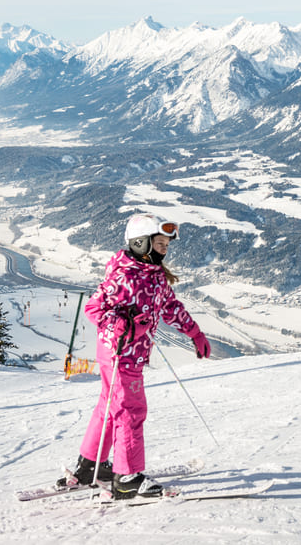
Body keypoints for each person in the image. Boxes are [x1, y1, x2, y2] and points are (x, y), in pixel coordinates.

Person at [59, 214, 212, 499]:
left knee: (109, 408)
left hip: (129, 355)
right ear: (141, 243)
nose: (165, 247)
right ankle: (127, 477)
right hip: (119, 355)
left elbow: (170, 307)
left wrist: (194, 333)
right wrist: (125, 327)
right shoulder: (125, 275)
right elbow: (94, 309)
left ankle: (91, 466)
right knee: (131, 410)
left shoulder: (152, 276)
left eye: (167, 243)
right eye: (160, 242)